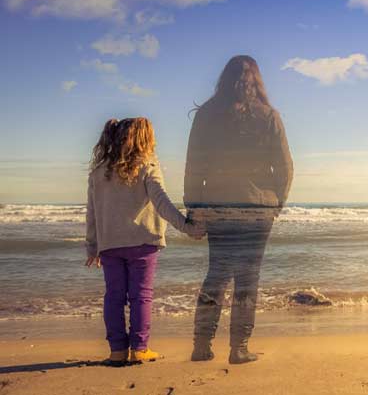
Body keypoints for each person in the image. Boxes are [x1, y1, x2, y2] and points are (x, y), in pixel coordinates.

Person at [185, 55, 294, 364]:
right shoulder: (269, 116)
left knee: (216, 274)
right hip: (258, 208)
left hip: (218, 205)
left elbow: (194, 166)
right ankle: (239, 348)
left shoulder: (206, 115)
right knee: (248, 278)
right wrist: (277, 203)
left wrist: (194, 208)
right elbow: (285, 168)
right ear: (257, 81)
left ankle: (201, 346)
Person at [85, 117, 205, 366]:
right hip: (142, 241)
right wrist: (187, 227)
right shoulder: (147, 166)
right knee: (141, 296)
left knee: (114, 297)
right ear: (144, 139)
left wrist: (93, 246)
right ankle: (139, 349)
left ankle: (117, 351)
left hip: (109, 245)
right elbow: (161, 202)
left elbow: (92, 213)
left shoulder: (98, 172)